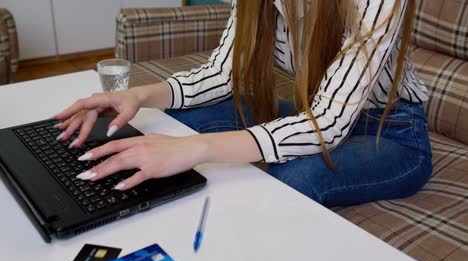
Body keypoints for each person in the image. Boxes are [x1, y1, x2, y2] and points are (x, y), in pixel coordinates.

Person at [55, 0, 432, 206]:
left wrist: (194, 149)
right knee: (190, 117)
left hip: (392, 132)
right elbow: (221, 75)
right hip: (309, 116)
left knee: (295, 178)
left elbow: (330, 122)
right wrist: (138, 95)